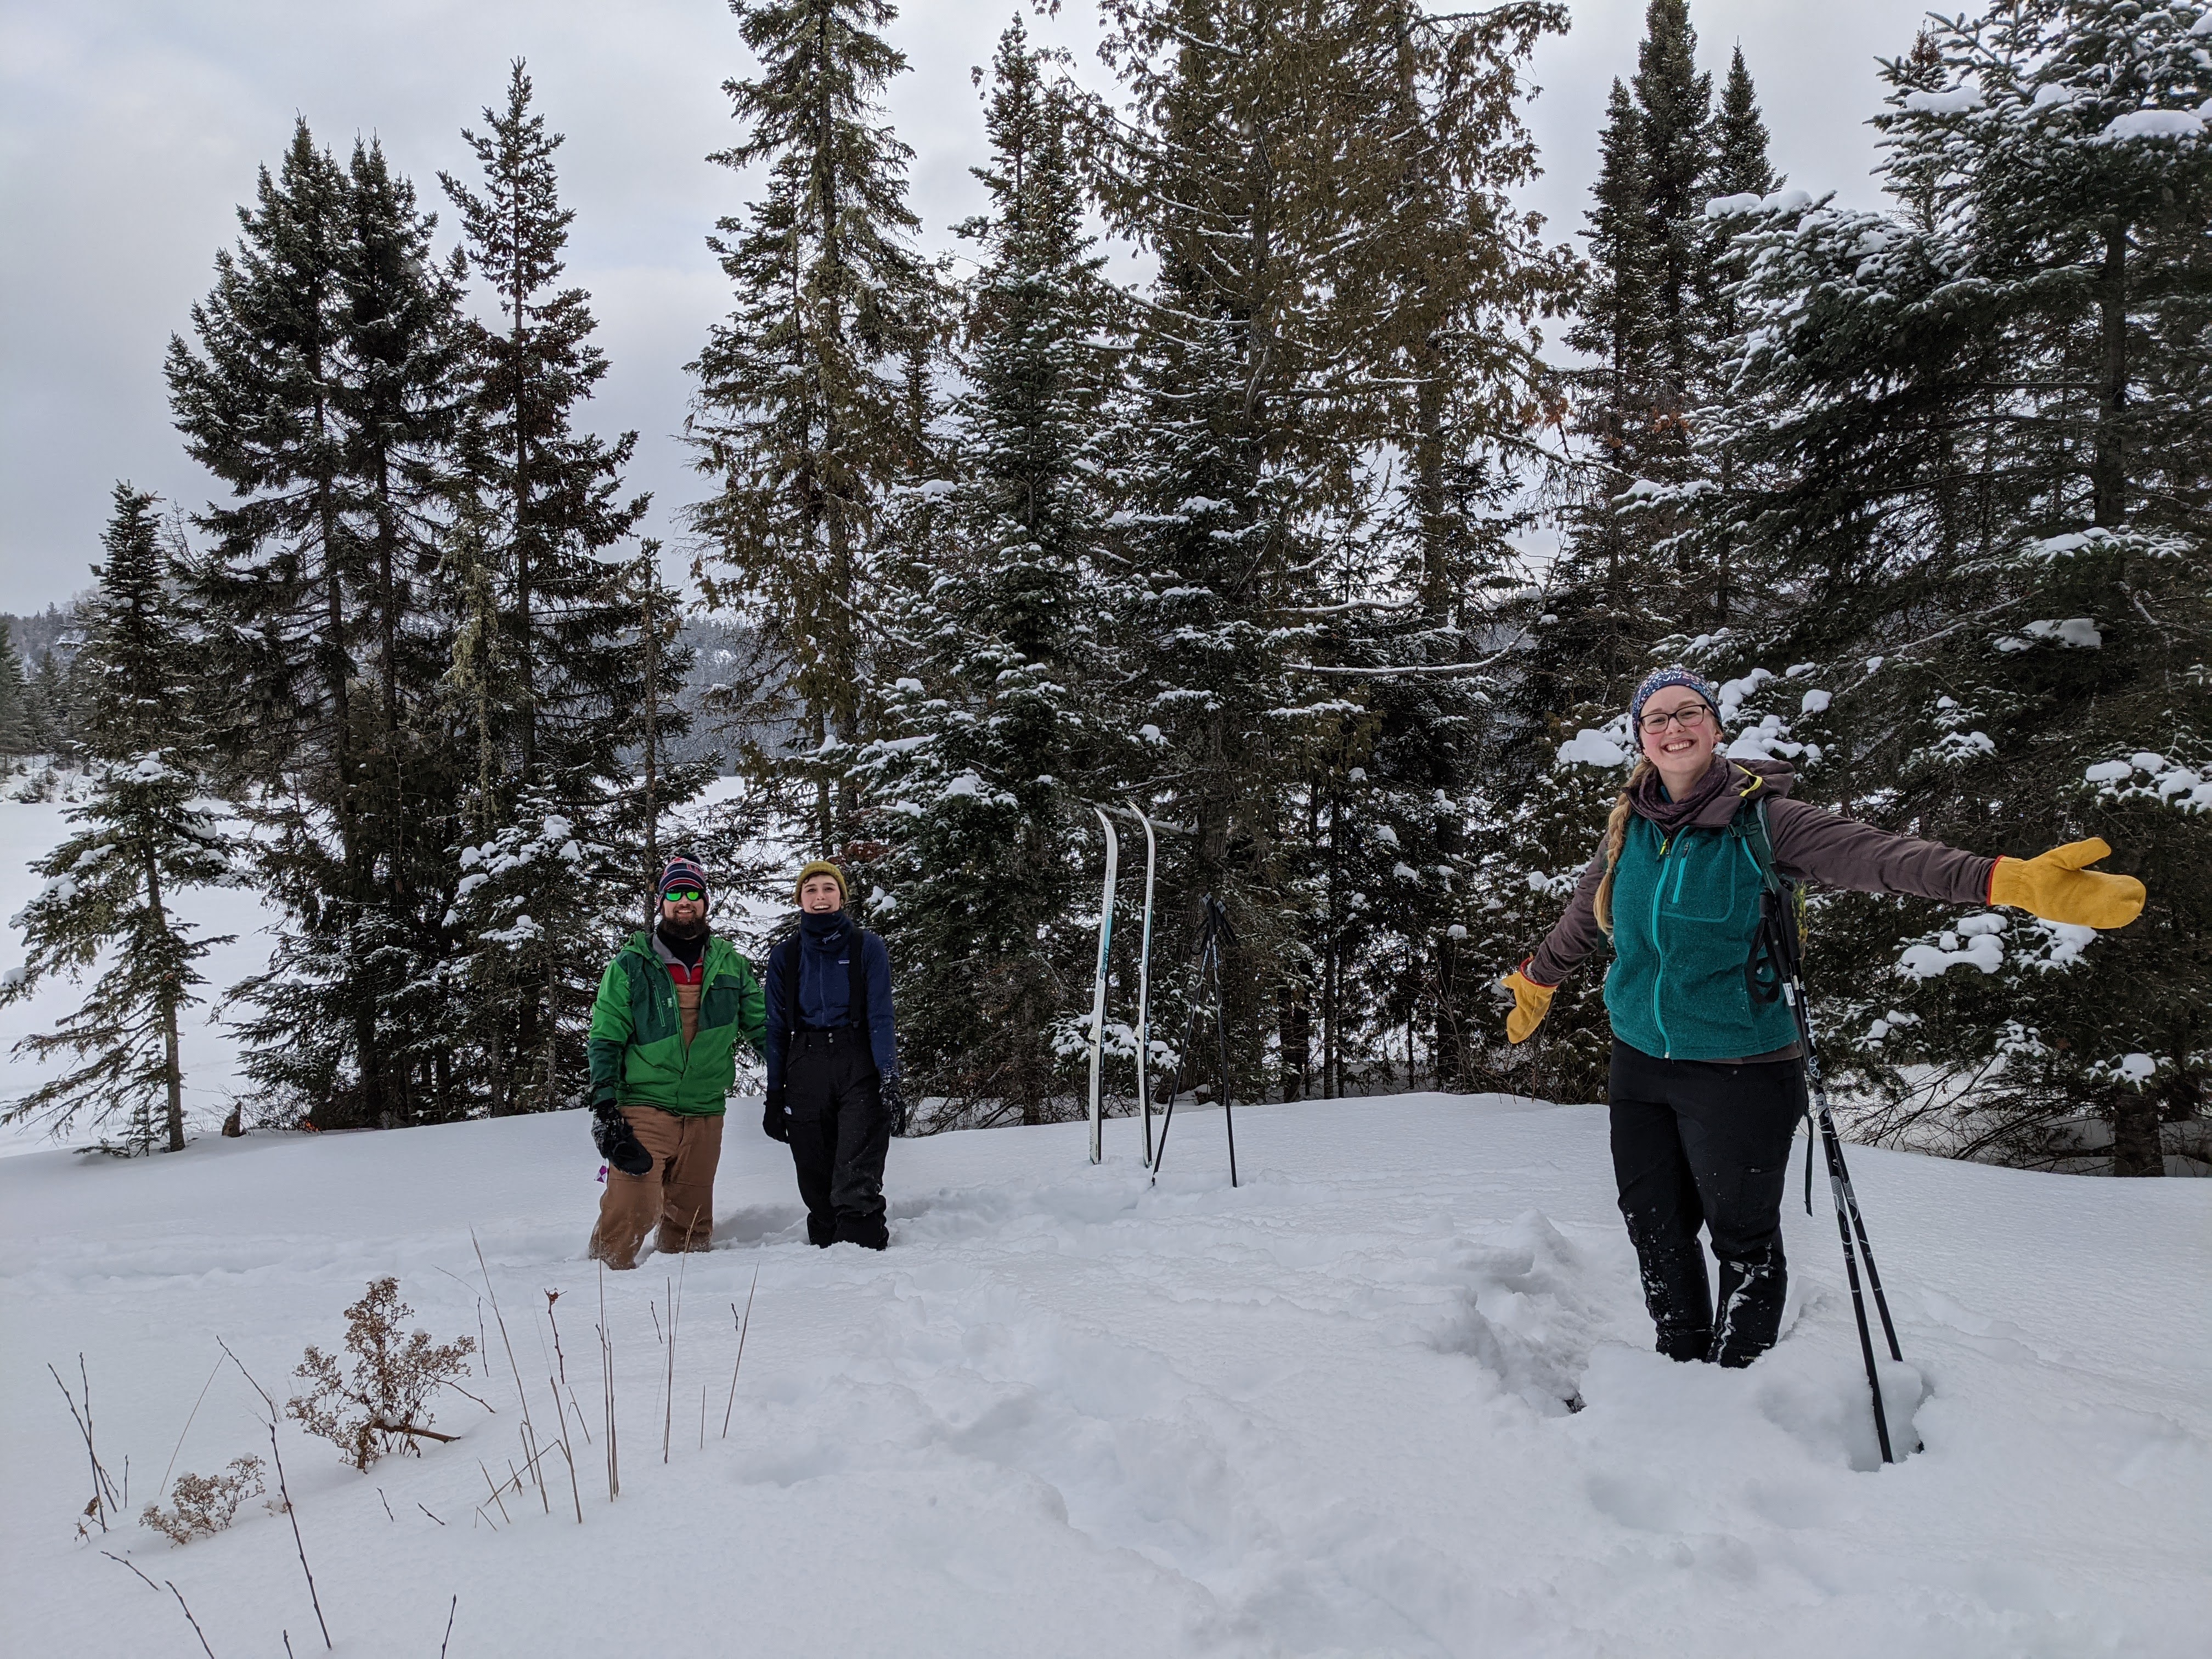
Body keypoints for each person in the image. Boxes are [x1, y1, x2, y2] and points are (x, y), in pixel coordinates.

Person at [1498, 667, 2146, 1368]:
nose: (1673, 728)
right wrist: (1538, 978)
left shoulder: (1766, 821)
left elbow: (1884, 857)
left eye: (1689, 712)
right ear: (1641, 737)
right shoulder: (1629, 827)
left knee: (1742, 1240)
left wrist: (2004, 879)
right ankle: (1677, 1364)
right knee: (1653, 1226)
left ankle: (1739, 1378)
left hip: (1741, 1066)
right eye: (1657, 718)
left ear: (1715, 727)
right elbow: (1586, 916)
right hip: (1640, 1063)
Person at [585, 855, 766, 1269]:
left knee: (691, 1226)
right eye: (675, 893)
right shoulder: (632, 964)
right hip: (644, 1106)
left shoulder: (731, 965)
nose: (684, 901)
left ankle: (684, 1298)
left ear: (705, 901)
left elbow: (762, 1028)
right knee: (630, 1209)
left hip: (705, 1110)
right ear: (661, 902)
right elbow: (606, 1035)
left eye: (693, 893)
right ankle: (598, 1285)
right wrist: (605, 1105)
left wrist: (794, 1077)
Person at [761, 860, 905, 1250]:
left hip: (858, 1060)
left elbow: (881, 1016)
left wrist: (889, 1077)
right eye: (811, 890)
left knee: (856, 1173)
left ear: (842, 897)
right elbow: (775, 1028)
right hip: (805, 1063)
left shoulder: (867, 947)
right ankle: (825, 1254)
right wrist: (774, 1096)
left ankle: (861, 1247)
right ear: (800, 899)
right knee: (814, 1175)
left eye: (828, 888)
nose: (820, 896)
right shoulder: (785, 956)